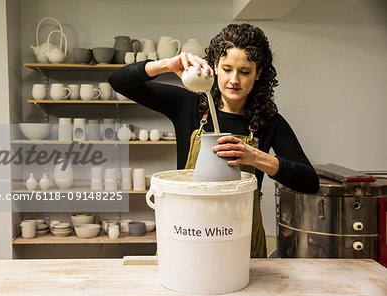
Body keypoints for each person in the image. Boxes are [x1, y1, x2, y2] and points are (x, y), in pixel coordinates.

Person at [109, 23, 319, 257]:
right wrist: (168, 64)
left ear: (259, 73)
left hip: (240, 239)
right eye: (227, 69)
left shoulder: (268, 121)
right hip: (188, 231)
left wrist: (256, 157)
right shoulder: (188, 106)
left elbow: (309, 181)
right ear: (215, 66)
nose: (234, 80)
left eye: (245, 72)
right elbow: (118, 81)